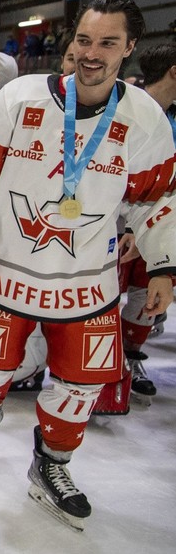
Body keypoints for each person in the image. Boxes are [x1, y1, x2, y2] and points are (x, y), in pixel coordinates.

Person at [0, 0, 176, 530]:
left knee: (81, 386)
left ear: (130, 48)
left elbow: (156, 199)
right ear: (71, 39)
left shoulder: (144, 117)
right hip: (4, 273)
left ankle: (51, 464)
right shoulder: (20, 97)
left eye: (108, 43)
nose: (92, 54)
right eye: (84, 40)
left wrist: (164, 264)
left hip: (86, 284)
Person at [117, 42, 176, 405]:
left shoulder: (171, 116)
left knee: (146, 296)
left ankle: (129, 359)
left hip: (161, 223)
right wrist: (131, 226)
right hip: (116, 224)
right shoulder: (125, 109)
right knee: (103, 299)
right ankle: (97, 371)